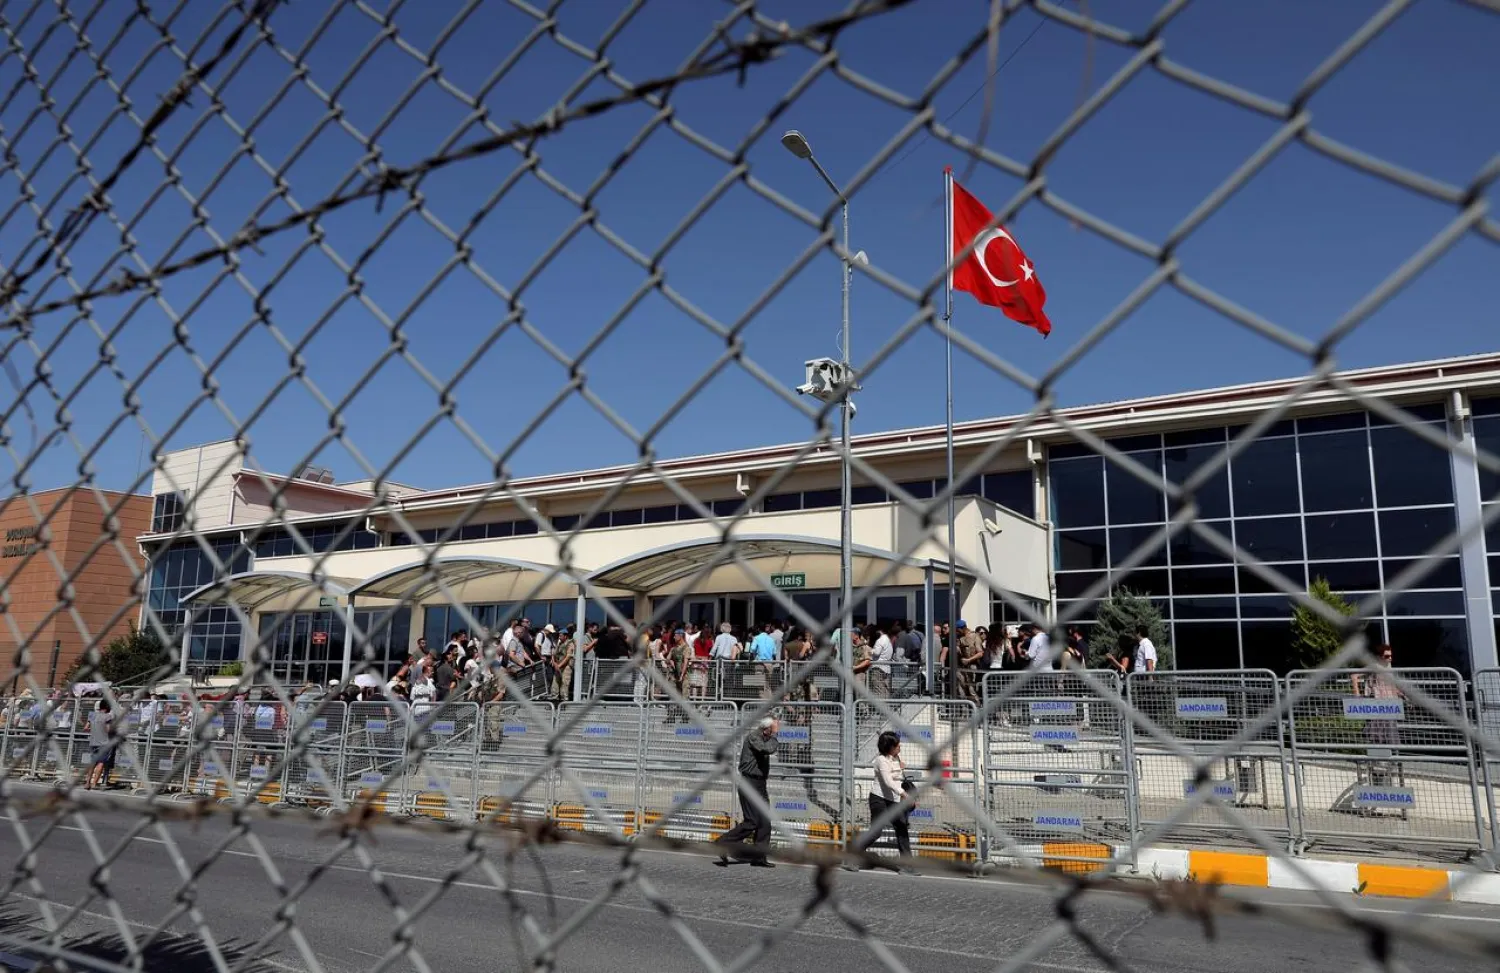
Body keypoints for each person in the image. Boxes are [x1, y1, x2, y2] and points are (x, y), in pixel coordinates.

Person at [714, 716, 780, 868]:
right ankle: (722, 843)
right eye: (774, 728)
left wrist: (773, 733)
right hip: (748, 782)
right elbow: (769, 749)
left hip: (760, 783)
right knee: (752, 821)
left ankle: (759, 857)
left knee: (764, 821)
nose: (777, 730)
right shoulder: (753, 737)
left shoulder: (764, 737)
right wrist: (775, 734)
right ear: (767, 728)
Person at [850, 730, 913, 871]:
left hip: (893, 800)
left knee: (902, 828)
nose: (899, 747)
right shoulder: (880, 761)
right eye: (896, 745)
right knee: (876, 832)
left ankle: (908, 865)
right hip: (879, 799)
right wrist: (905, 794)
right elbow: (888, 781)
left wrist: (900, 767)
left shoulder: (895, 758)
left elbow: (897, 777)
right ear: (889, 747)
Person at [85, 698, 117, 790]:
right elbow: (108, 730)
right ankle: (94, 783)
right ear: (108, 707)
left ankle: (87, 783)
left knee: (93, 762)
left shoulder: (92, 715)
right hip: (103, 742)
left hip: (93, 741)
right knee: (101, 763)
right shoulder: (108, 717)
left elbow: (86, 728)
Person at [867, 624, 894, 697]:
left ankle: (880, 707)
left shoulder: (880, 640)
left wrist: (870, 650)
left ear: (879, 631)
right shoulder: (888, 641)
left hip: (878, 668)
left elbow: (876, 652)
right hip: (887, 668)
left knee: (878, 689)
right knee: (886, 689)